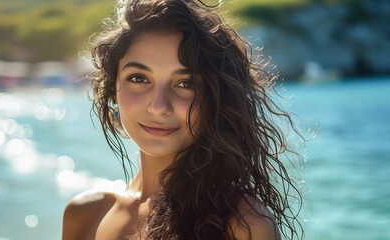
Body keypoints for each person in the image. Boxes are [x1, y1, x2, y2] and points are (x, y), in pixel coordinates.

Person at [63, 0, 304, 239]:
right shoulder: (85, 215)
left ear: (215, 99)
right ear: (113, 87)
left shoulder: (241, 224)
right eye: (138, 78)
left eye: (185, 83)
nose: (159, 107)